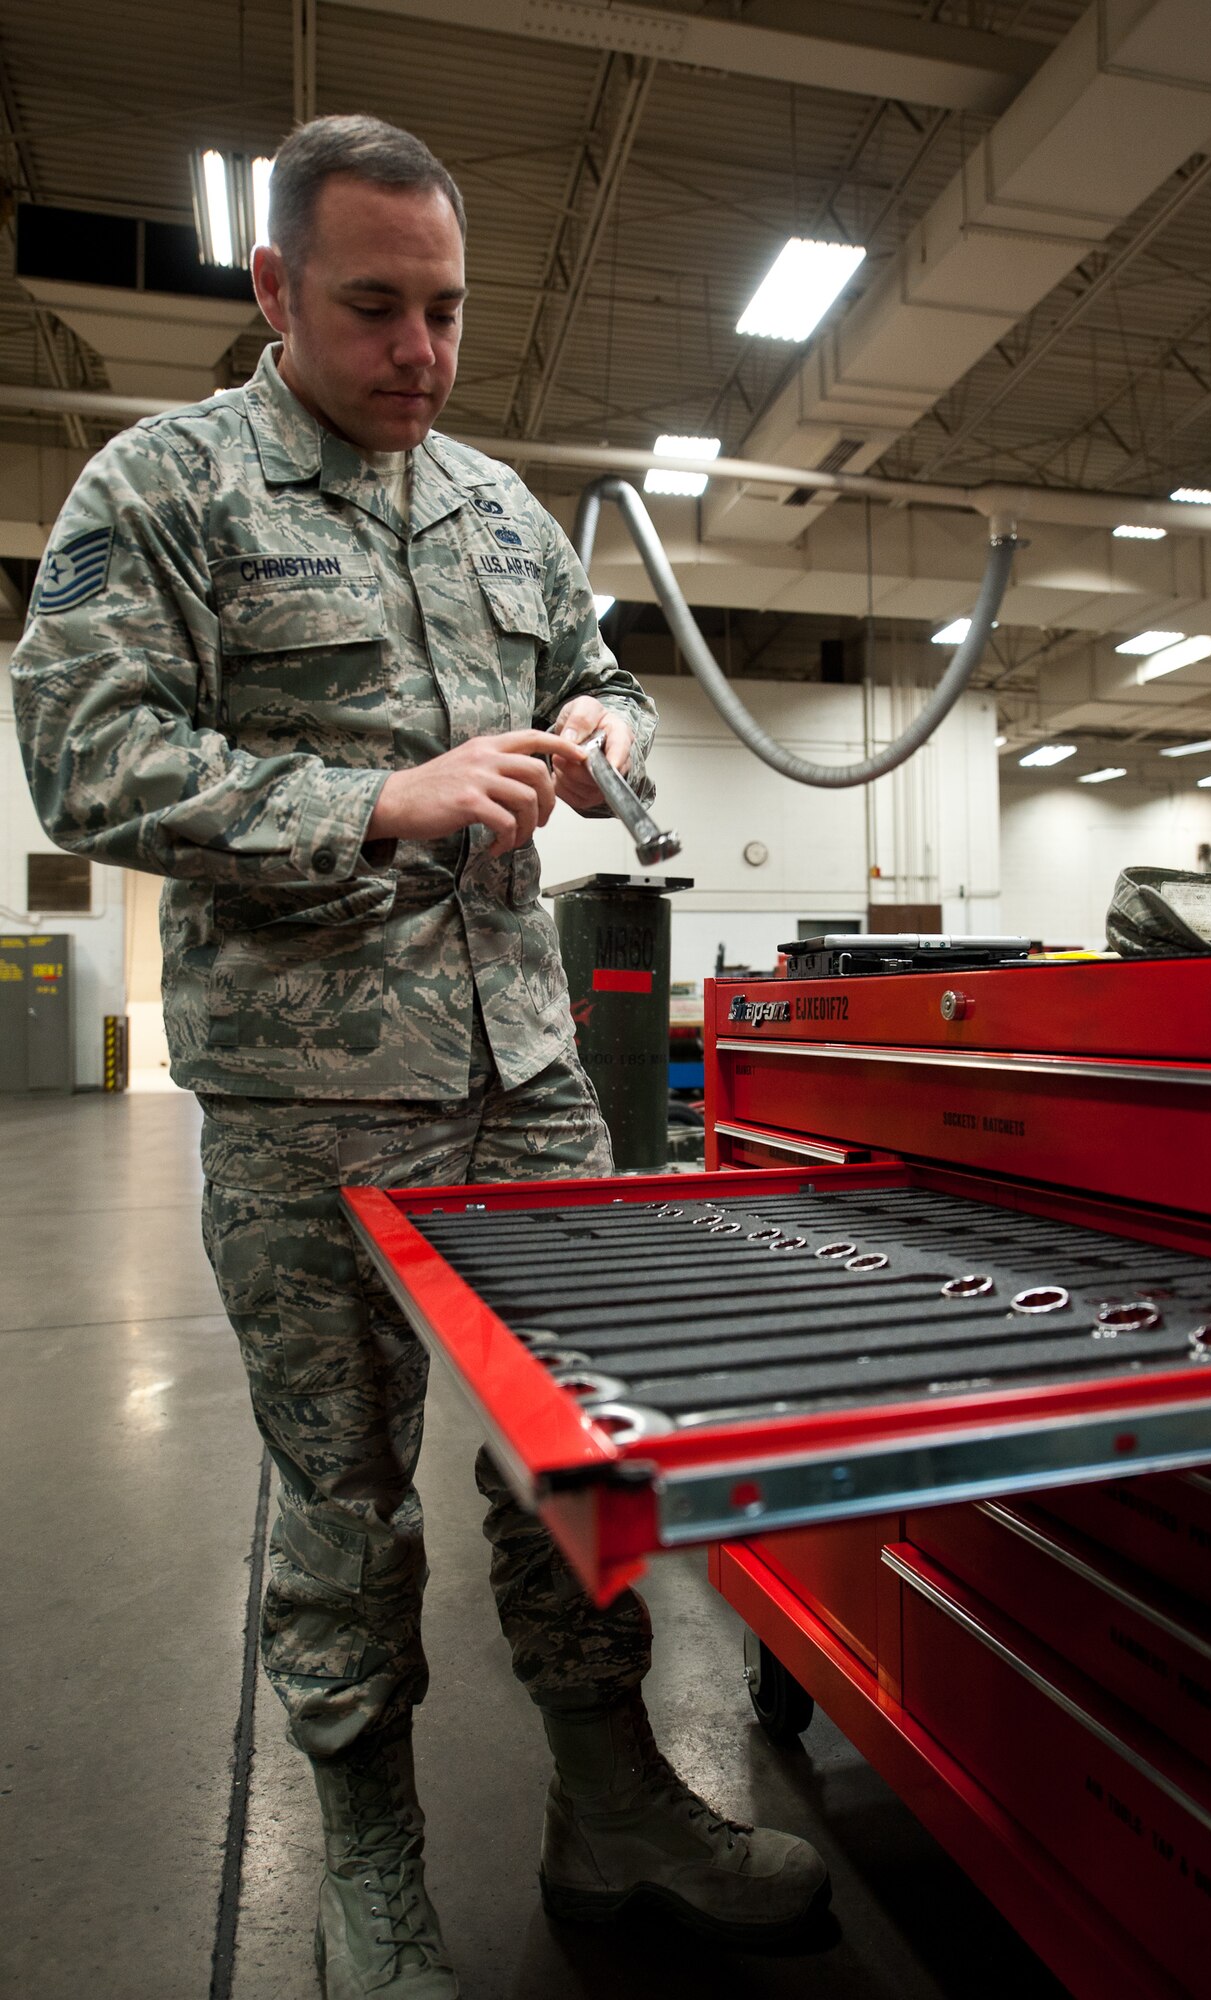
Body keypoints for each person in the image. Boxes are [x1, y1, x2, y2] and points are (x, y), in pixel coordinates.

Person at [10, 115, 827, 1998]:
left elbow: (602, 669)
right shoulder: (164, 490)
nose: (420, 353)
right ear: (275, 287)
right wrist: (378, 797)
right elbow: (87, 761)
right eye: (375, 308)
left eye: (446, 311)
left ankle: (613, 1803)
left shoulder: (494, 505)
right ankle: (362, 1860)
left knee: (577, 1460)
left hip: (526, 1072)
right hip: (312, 1096)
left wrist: (601, 733)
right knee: (346, 1489)